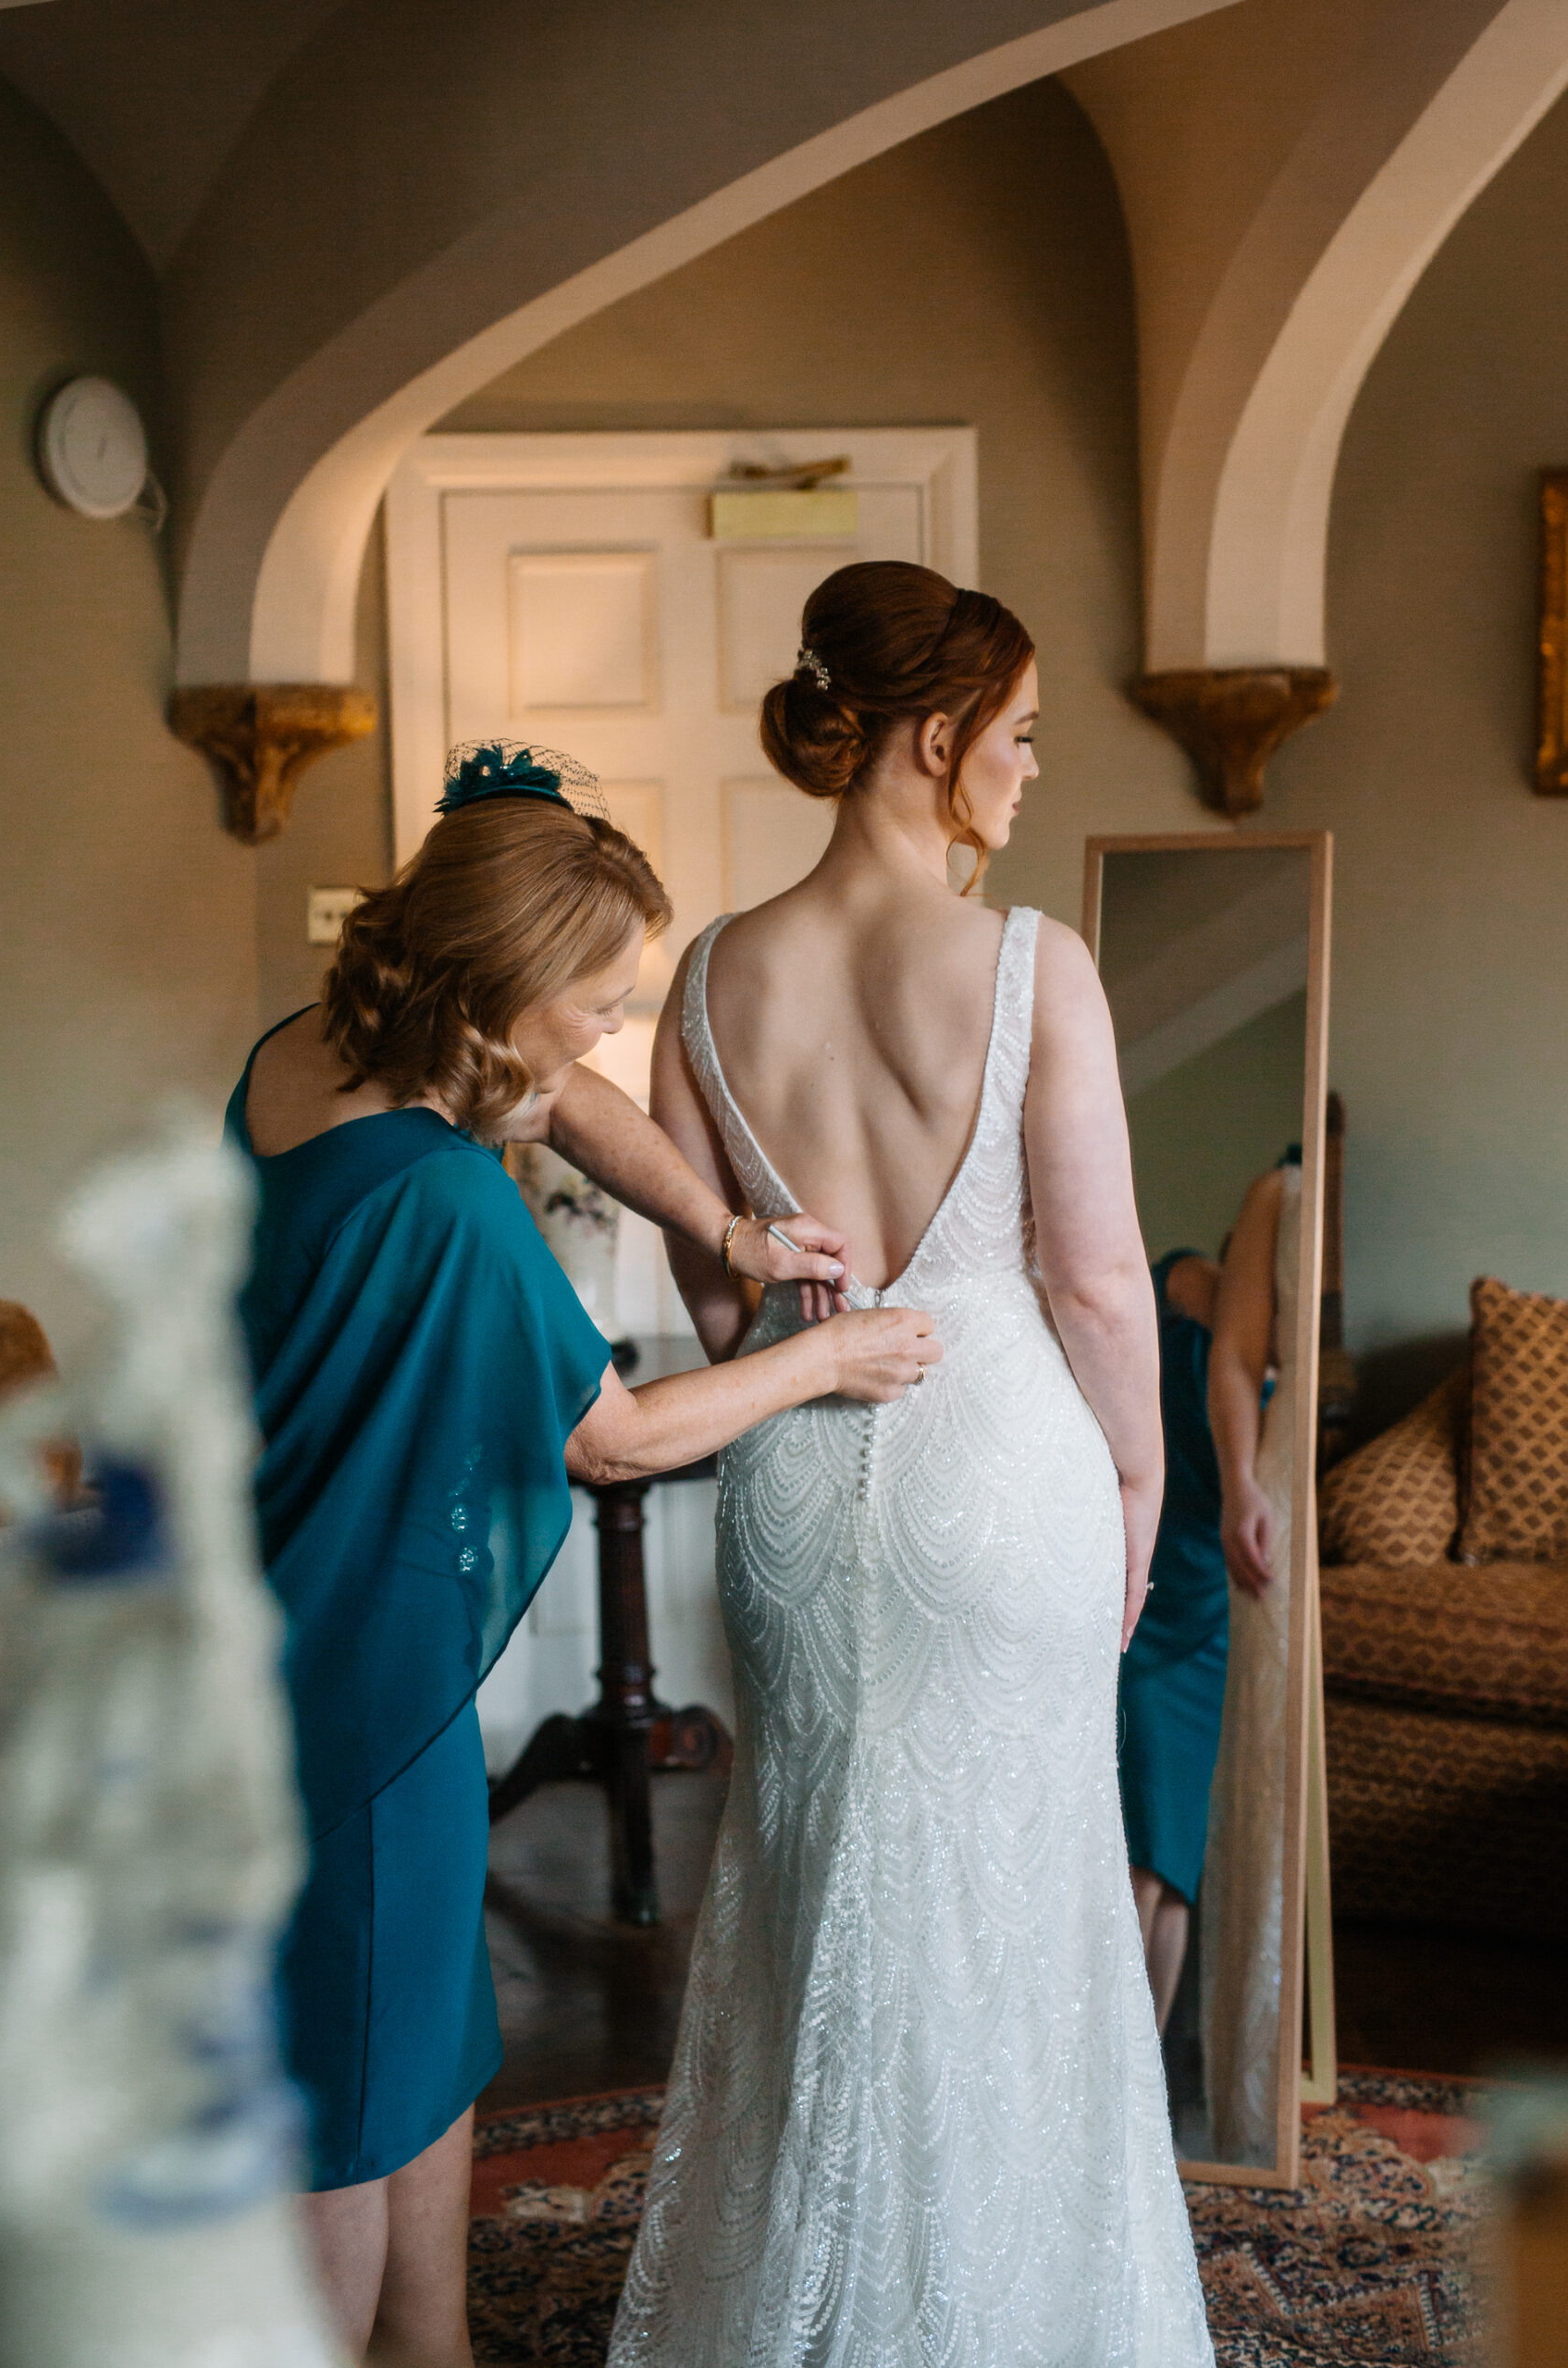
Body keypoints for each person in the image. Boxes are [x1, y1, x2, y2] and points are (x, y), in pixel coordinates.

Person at [224, 740, 940, 2368]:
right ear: (495, 1000)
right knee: (346, 2078)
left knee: (421, 2036)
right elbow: (613, 1440)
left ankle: (434, 2345)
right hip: (357, 1675)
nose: (613, 1030)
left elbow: (568, 1102)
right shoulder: (447, 1204)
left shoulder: (296, 1060)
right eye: (599, 997)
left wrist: (731, 1233)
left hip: (276, 1622)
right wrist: (828, 1359)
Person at [609, 563, 1214, 2365]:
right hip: (998, 1463)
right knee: (1009, 1915)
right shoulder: (1030, 963)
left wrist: (809, 1333)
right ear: (934, 738)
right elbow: (1100, 1280)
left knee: (812, 1901)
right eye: (1017, 736)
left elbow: (728, 1322)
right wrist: (1140, 1490)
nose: (1027, 771)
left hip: (793, 1478)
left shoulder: (707, 975)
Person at [1201, 1153, 1303, 2164]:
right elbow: (1234, 1356)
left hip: (1354, 1484)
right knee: (1270, 1781)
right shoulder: (1279, 1190)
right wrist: (1241, 1486)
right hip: (1284, 1486)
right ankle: (1255, 2114)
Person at [1118, 1249, 1228, 2035]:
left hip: (1211, 1603)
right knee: (1139, 1859)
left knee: (1172, 1864)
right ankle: (1112, 2068)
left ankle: (1144, 2072)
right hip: (1148, 1586)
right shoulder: (1180, 1343)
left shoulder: (1266, 1380)